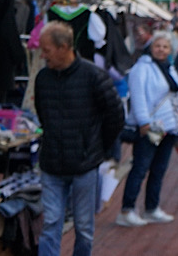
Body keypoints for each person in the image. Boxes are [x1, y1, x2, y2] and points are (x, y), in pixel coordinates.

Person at [35, 22, 124, 256]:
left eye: (47, 50)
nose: (43, 56)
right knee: (51, 222)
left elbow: (115, 115)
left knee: (84, 227)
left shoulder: (94, 76)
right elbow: (42, 113)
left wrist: (96, 147)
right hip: (52, 163)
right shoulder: (43, 78)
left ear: (64, 47)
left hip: (84, 164)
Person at [117, 31, 178, 227]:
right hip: (149, 128)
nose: (161, 50)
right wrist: (144, 122)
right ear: (151, 47)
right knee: (140, 168)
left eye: (165, 47)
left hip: (168, 128)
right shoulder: (142, 68)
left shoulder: (170, 69)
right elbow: (138, 96)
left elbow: (177, 99)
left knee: (158, 170)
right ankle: (127, 209)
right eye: (158, 46)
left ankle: (152, 208)